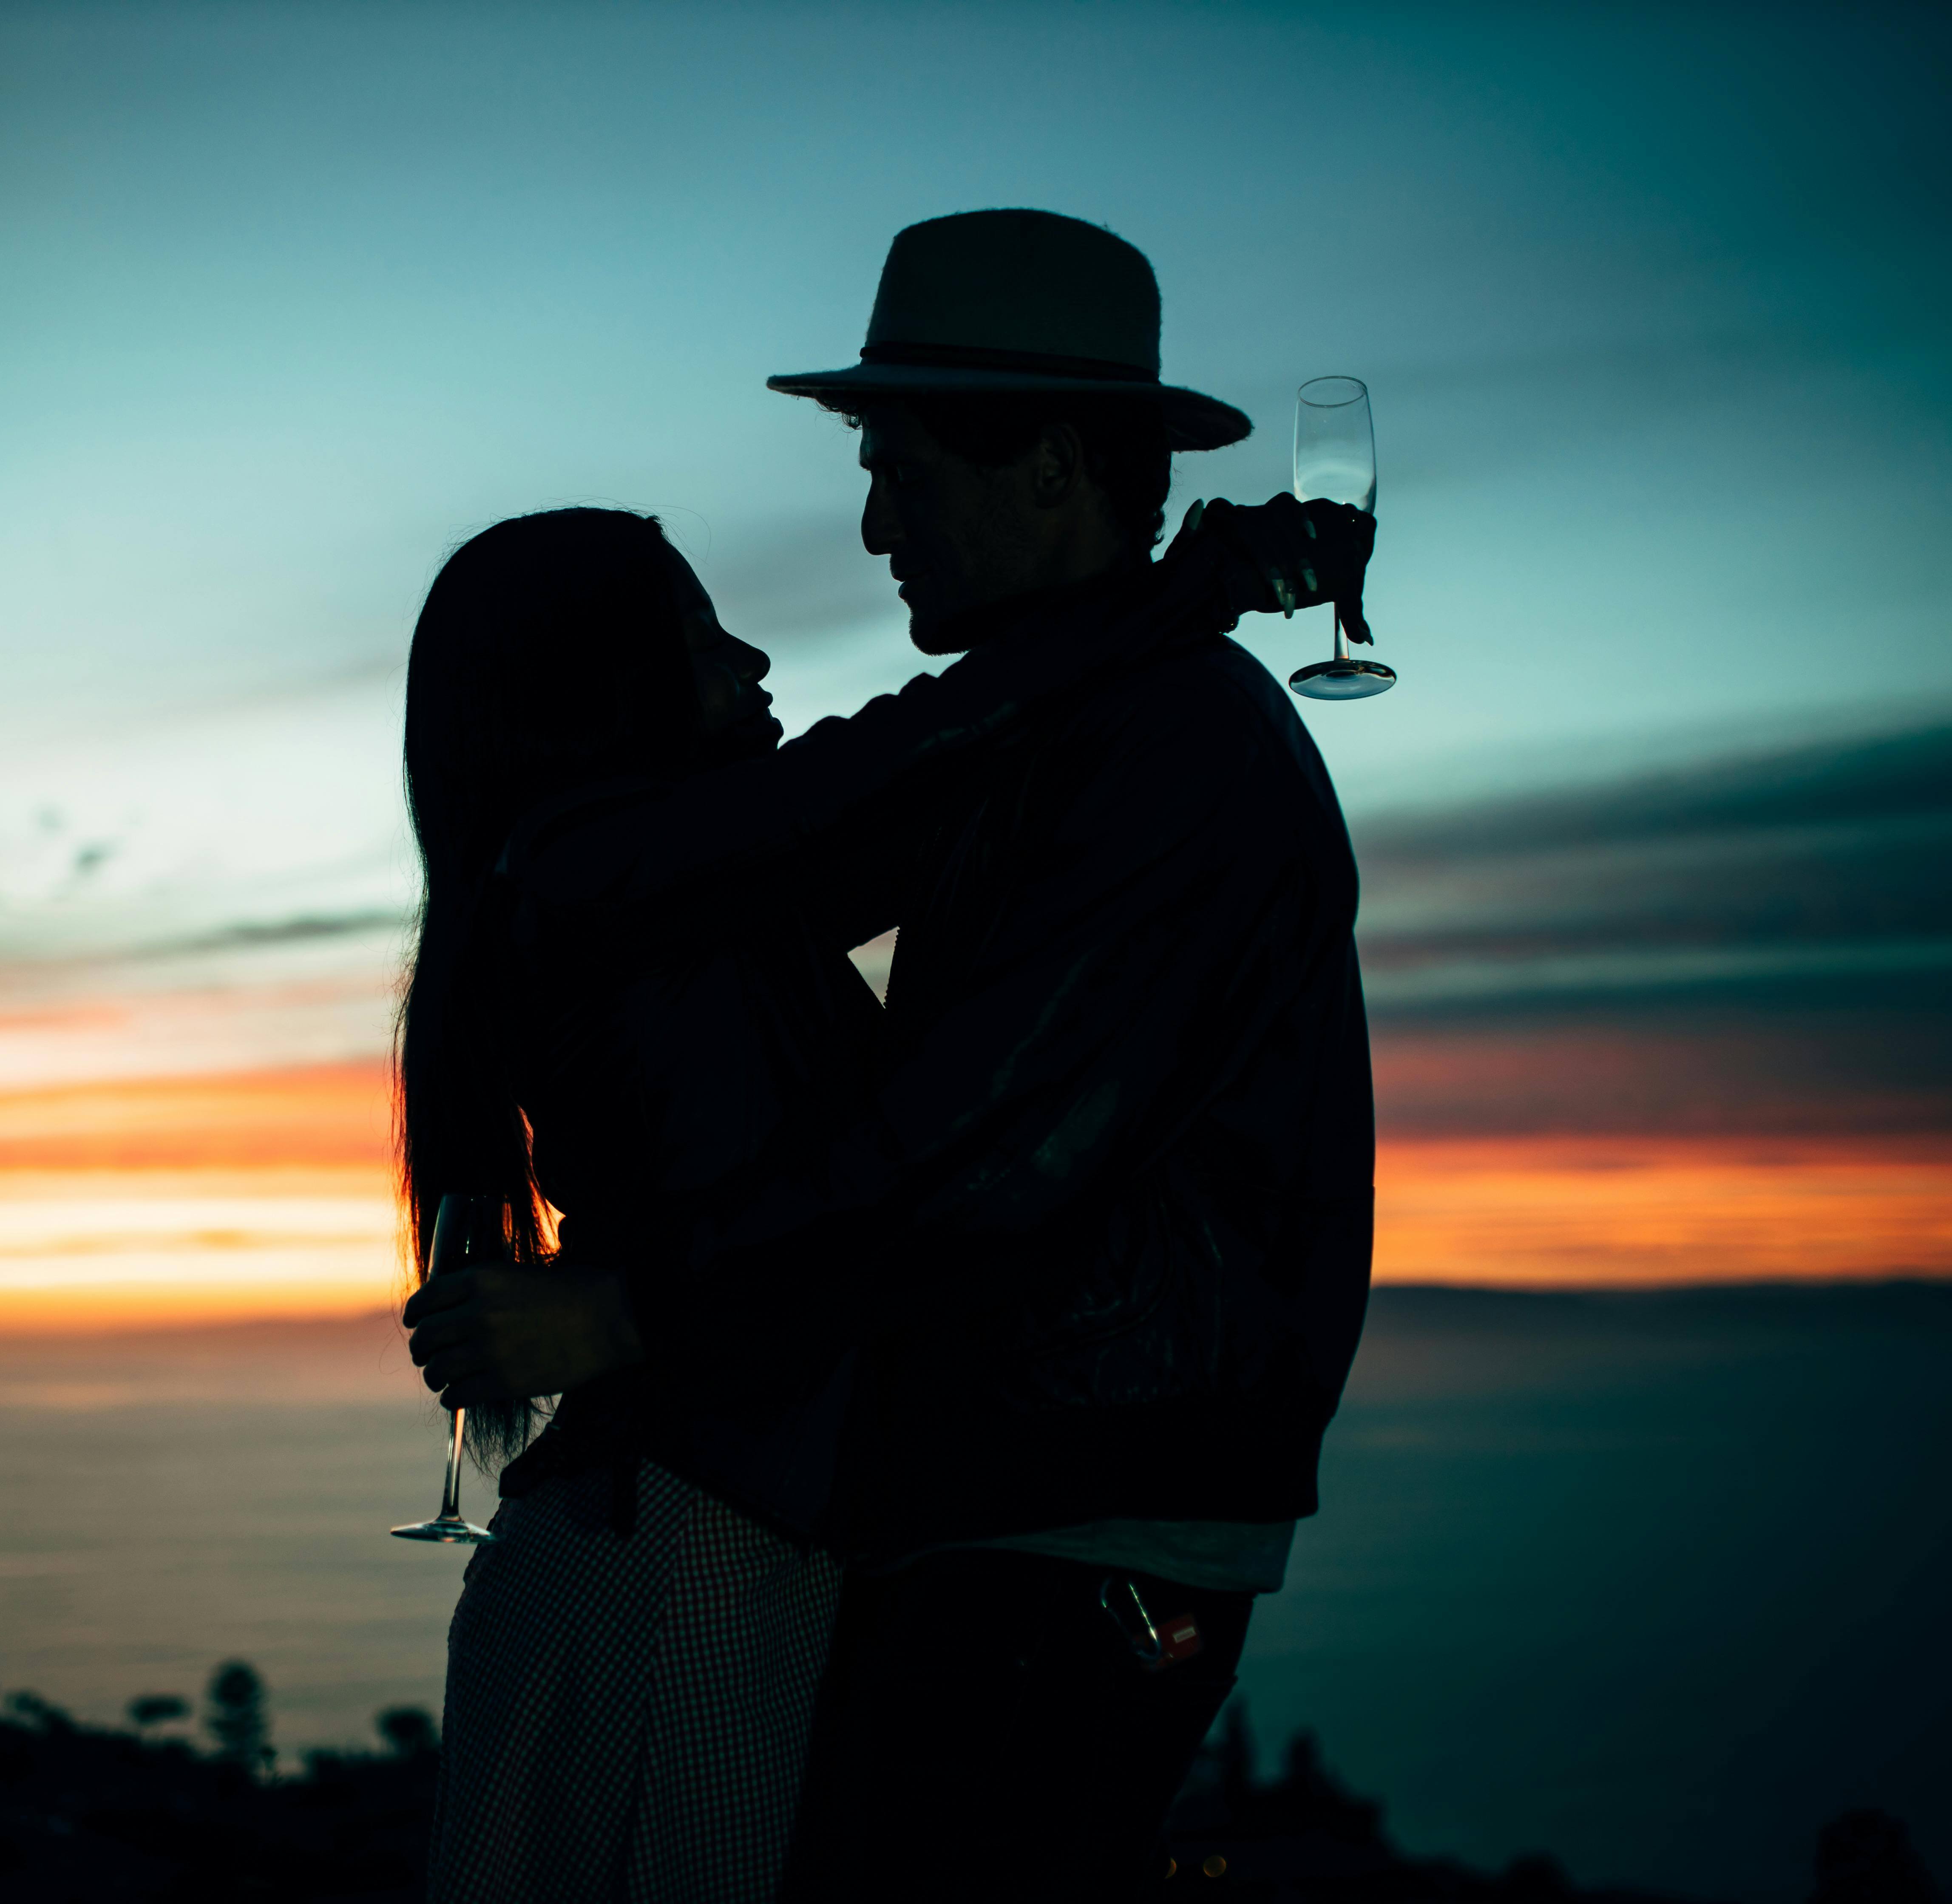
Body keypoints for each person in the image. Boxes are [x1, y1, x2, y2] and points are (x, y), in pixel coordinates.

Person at [409, 209, 1378, 1899]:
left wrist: (634, 1306)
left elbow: (971, 1152)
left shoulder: (1162, 747)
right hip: (991, 1501)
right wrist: (1187, 588)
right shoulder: (1032, 746)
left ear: (1056, 469)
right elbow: (847, 802)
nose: (870, 531)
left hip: (1070, 1517)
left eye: (905, 473)